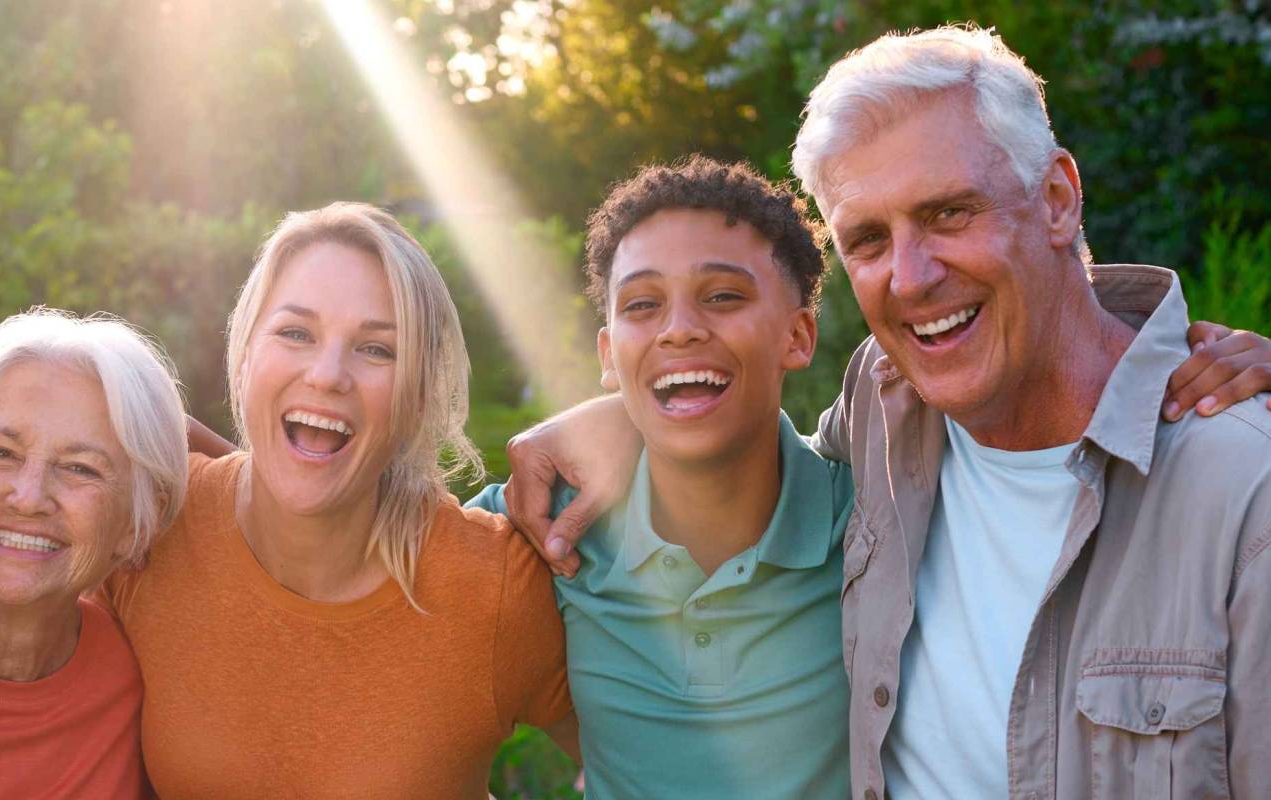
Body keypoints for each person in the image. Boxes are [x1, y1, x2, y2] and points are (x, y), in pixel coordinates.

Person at [501, 26, 1271, 799]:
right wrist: (617, 421)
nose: (910, 277)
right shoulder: (886, 402)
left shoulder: (1244, 491)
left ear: (1058, 200)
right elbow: (737, 441)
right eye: (868, 238)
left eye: (948, 214)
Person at [103, 202, 576, 798]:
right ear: (246, 356)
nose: (328, 375)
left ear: (419, 395)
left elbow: (657, 761)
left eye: (377, 349)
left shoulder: (492, 588)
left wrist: (625, 422)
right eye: (296, 333)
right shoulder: (151, 527)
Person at [465, 156, 853, 798]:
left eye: (723, 296)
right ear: (609, 355)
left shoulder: (877, 523)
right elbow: (317, 544)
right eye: (642, 304)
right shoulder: (538, 524)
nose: (679, 330)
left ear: (798, 335)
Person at [0, 310, 185, 799]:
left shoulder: (143, 683)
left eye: (79, 468)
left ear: (136, 524)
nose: (28, 498)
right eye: (0, 453)